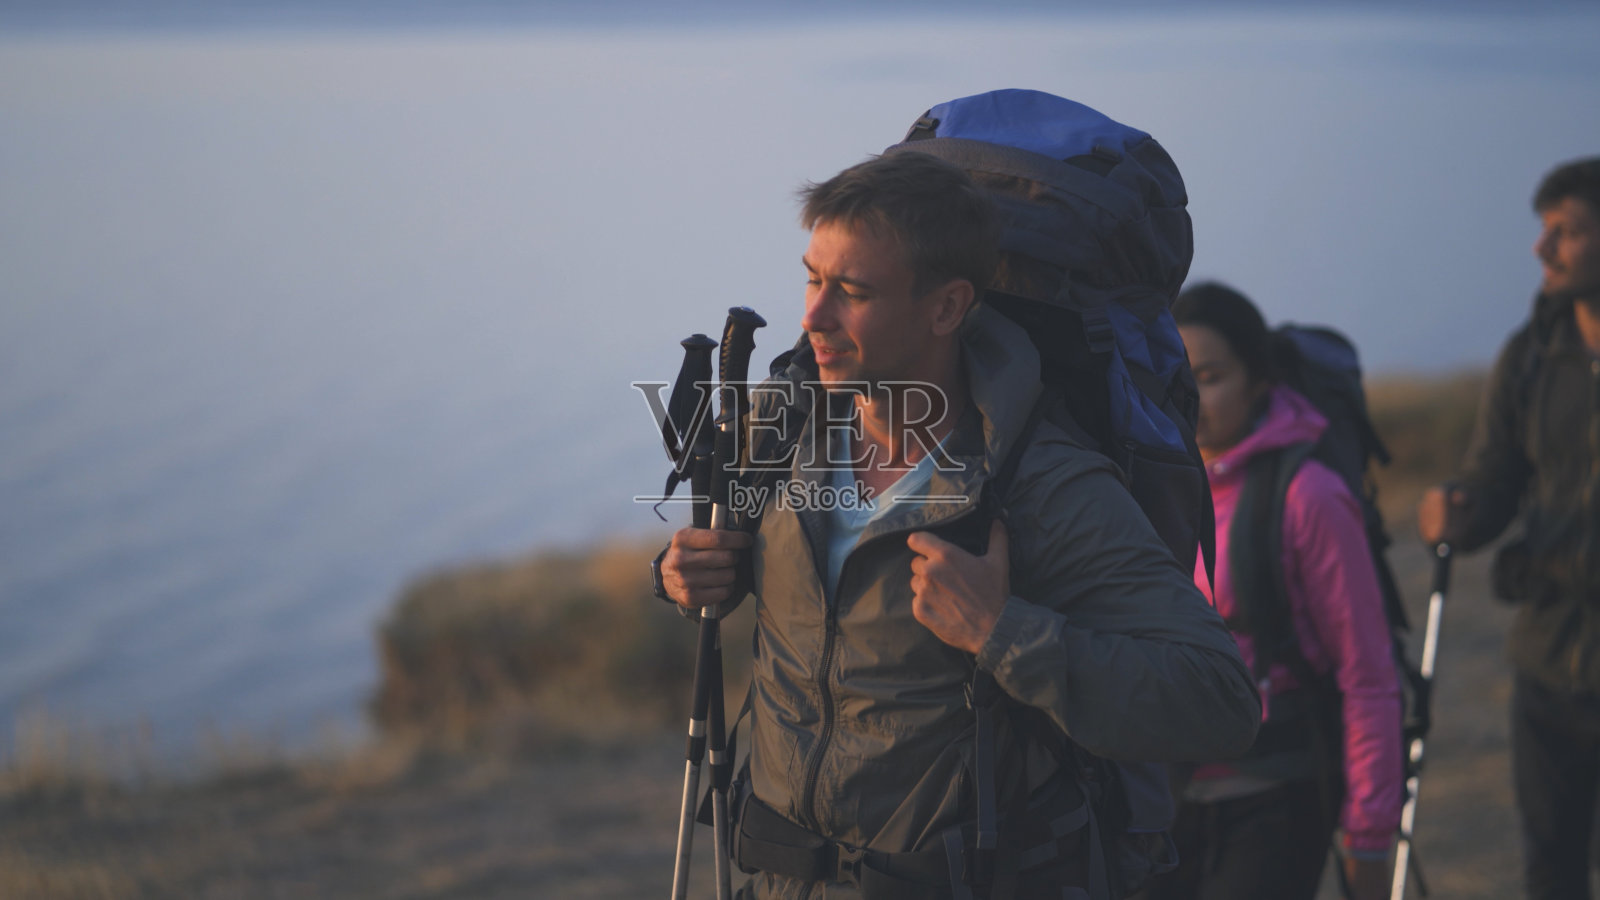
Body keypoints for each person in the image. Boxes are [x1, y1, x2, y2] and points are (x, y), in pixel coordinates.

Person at [657, 151, 1260, 899]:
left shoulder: (1041, 484)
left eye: (852, 291)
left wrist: (1002, 631)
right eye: (812, 279)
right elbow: (739, 570)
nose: (812, 315)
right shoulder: (780, 433)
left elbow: (1220, 703)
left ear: (946, 308)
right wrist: (684, 575)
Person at [1136, 283, 1401, 900]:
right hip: (1162, 803)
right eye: (1178, 376)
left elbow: (1368, 677)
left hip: (1277, 798)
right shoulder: (1149, 492)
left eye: (1213, 375)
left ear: (1259, 381)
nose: (1193, 397)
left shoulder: (1309, 497)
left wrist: (1370, 833)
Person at [1417, 156, 1600, 900]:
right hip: (1549, 663)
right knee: (1549, 869)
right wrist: (1456, 510)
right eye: (1545, 230)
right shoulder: (1530, 356)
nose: (1543, 248)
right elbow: (1493, 480)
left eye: (1569, 231)